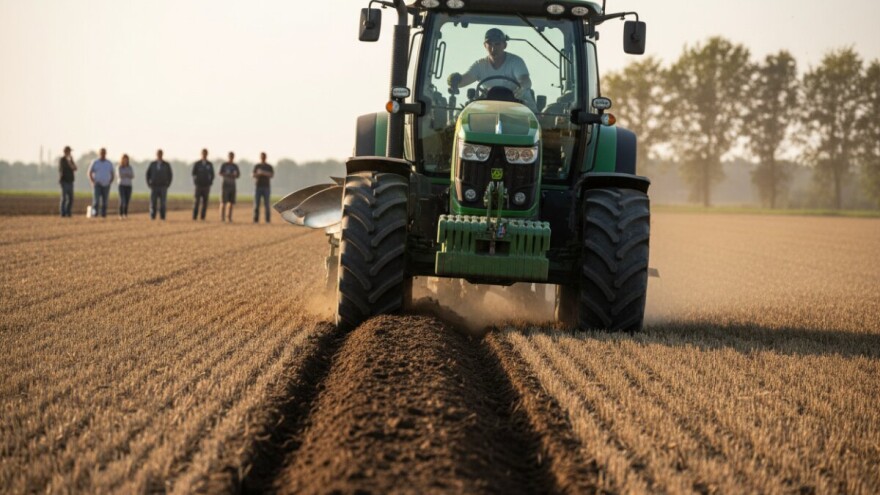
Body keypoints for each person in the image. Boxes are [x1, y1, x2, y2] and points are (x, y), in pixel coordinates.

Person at [446, 28, 535, 108]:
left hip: (521, 110)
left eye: (497, 44)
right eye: (489, 44)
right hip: (489, 112)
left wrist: (522, 87)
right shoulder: (480, 65)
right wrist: (454, 81)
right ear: (485, 45)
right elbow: (464, 80)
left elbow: (525, 80)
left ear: (504, 45)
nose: (493, 49)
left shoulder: (515, 62)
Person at [146, 149, 173, 220]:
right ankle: (152, 216)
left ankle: (162, 217)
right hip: (154, 186)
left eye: (160, 154)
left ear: (162, 155)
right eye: (158, 154)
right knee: (153, 202)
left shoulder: (166, 165)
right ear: (156, 155)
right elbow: (148, 174)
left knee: (163, 203)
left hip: (163, 186)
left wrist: (168, 184)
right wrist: (149, 184)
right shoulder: (152, 164)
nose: (159, 155)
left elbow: (170, 175)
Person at [88, 147, 115, 218]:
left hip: (106, 185)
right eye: (101, 153)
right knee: (96, 201)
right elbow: (90, 172)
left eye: (104, 153)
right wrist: (92, 181)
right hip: (97, 184)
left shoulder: (109, 163)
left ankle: (103, 214)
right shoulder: (95, 162)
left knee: (105, 201)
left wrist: (110, 181)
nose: (103, 154)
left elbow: (112, 173)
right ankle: (94, 214)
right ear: (99, 154)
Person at [191, 148, 214, 221]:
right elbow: (193, 174)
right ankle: (194, 216)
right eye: (203, 153)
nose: (204, 155)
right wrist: (195, 182)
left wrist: (210, 182)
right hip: (198, 185)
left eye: (205, 153)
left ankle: (202, 217)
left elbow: (212, 175)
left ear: (207, 154)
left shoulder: (209, 164)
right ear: (201, 154)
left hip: (206, 186)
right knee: (196, 201)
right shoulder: (197, 164)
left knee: (205, 202)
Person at [252, 152, 274, 223]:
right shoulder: (257, 166)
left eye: (264, 156)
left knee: (267, 204)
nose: (263, 158)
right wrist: (258, 174)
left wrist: (263, 173)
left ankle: (267, 220)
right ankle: (256, 220)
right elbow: (253, 175)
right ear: (260, 157)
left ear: (265, 157)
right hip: (258, 187)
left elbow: (271, 175)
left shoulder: (269, 166)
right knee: (256, 204)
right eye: (262, 156)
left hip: (266, 187)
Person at [218, 151, 240, 222]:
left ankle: (229, 217)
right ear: (228, 156)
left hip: (232, 185)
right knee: (223, 202)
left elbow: (238, 175)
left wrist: (234, 175)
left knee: (231, 202)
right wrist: (227, 174)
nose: (231, 157)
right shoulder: (224, 165)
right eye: (230, 156)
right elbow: (220, 173)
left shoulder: (235, 166)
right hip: (225, 185)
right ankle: (222, 217)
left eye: (232, 156)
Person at [58, 146, 77, 217]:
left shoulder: (71, 160)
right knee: (64, 198)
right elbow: (63, 169)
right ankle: (62, 213)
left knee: (71, 198)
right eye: (69, 151)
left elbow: (75, 168)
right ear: (65, 152)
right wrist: (69, 162)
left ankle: (68, 212)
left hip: (70, 181)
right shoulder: (62, 160)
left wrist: (71, 161)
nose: (70, 153)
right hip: (64, 181)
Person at [117, 154, 134, 218]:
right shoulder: (119, 167)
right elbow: (120, 175)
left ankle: (125, 214)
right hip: (122, 185)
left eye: (126, 159)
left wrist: (125, 174)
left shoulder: (130, 167)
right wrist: (127, 174)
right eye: (124, 159)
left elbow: (132, 175)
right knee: (122, 199)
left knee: (127, 200)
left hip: (128, 185)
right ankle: (120, 214)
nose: (125, 160)